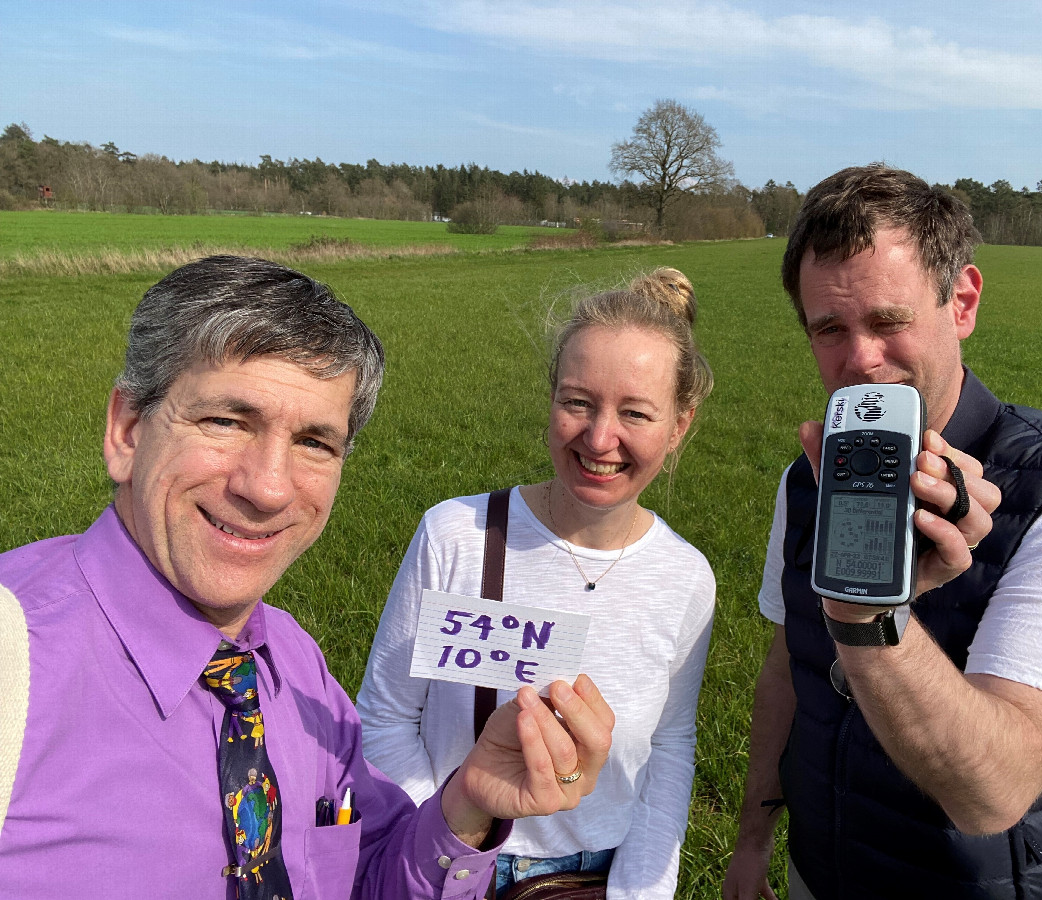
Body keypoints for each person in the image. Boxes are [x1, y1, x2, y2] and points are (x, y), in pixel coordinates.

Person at [0, 255, 615, 900]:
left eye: (315, 443)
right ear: (127, 431)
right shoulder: (20, 666)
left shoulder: (292, 665)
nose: (267, 487)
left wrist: (467, 803)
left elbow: (372, 877)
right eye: (227, 421)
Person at [723, 166, 1042, 899]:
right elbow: (786, 669)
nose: (860, 361)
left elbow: (994, 793)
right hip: (819, 874)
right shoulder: (808, 481)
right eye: (830, 329)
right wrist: (755, 838)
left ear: (962, 301)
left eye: (889, 321)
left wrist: (869, 618)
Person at [357, 268, 717, 899]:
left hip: (595, 879)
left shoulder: (685, 578)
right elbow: (385, 720)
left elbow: (669, 749)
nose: (600, 438)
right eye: (578, 402)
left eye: (635, 412)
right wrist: (450, 844)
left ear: (680, 424)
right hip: (451, 863)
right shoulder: (457, 538)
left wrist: (637, 892)